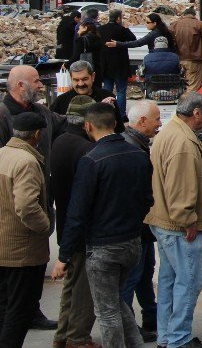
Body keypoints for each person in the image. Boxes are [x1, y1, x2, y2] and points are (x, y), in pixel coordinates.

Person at [55, 102, 153, 348]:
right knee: (115, 302)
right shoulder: (138, 154)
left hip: (103, 247)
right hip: (131, 243)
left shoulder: (92, 160)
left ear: (88, 126)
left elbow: (77, 212)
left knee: (107, 312)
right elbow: (147, 199)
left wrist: (64, 256)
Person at [145, 92, 202, 348]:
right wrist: (188, 221)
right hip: (178, 226)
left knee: (170, 281)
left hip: (164, 221)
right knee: (189, 280)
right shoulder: (183, 143)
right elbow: (181, 189)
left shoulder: (172, 132)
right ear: (196, 113)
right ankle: (178, 339)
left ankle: (167, 336)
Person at [50, 96, 100, 348]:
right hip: (82, 229)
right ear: (87, 123)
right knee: (83, 288)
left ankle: (63, 335)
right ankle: (78, 338)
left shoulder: (60, 141)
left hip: (67, 228)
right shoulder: (85, 149)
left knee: (71, 285)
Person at [0, 112, 51, 347]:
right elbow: (27, 207)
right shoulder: (26, 162)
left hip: (4, 246)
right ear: (38, 134)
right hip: (22, 251)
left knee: (5, 306)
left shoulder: (2, 154)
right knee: (20, 310)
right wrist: (45, 226)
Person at [121, 101, 161, 342]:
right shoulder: (131, 148)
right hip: (135, 227)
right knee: (133, 278)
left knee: (145, 274)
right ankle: (128, 328)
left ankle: (151, 316)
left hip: (142, 228)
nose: (159, 124)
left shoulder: (137, 144)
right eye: (156, 119)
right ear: (142, 121)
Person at [51, 60, 124, 130]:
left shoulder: (107, 97)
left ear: (93, 77)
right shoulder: (61, 101)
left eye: (85, 79)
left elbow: (119, 129)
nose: (81, 84)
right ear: (71, 79)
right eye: (76, 80)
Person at [99, 9, 136, 120]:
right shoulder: (121, 29)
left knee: (107, 90)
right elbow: (133, 39)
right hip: (120, 65)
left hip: (105, 65)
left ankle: (107, 113)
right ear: (118, 18)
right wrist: (125, 28)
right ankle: (121, 114)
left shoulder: (100, 29)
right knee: (121, 90)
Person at [170, 8, 202, 93]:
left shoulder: (175, 25)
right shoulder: (199, 24)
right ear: (194, 15)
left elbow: (171, 41)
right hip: (194, 60)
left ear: (184, 15)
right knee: (193, 86)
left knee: (183, 85)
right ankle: (188, 104)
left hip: (179, 58)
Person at [108, 13, 175, 54]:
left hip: (156, 58)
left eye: (148, 22)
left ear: (155, 23)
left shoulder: (153, 34)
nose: (146, 24)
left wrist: (118, 44)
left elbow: (137, 43)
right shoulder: (165, 31)